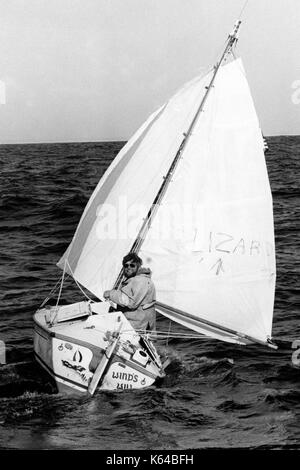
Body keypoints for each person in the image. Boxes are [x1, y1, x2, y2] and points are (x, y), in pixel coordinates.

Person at [103, 252, 156, 333]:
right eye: (126, 265)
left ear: (138, 266)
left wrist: (110, 294)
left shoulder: (141, 280)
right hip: (135, 324)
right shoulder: (136, 279)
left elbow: (130, 302)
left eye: (132, 265)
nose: (128, 267)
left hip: (136, 328)